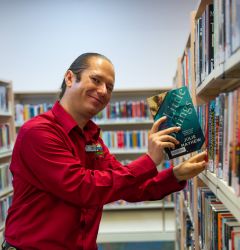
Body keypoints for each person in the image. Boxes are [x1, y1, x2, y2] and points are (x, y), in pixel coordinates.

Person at [3, 53, 207, 250]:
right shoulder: (38, 132)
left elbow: (128, 186)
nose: (103, 91)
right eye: (96, 80)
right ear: (69, 77)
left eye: (109, 87)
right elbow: (82, 188)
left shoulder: (92, 137)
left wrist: (176, 174)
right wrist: (149, 160)